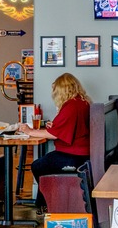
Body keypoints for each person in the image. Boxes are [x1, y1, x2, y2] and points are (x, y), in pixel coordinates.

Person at [18, 73, 91, 214]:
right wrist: (54, 125)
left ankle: (46, 202)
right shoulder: (82, 102)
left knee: (38, 166)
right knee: (44, 164)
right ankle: (44, 202)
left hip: (74, 156)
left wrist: (29, 130)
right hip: (82, 153)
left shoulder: (71, 106)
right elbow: (65, 127)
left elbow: (52, 134)